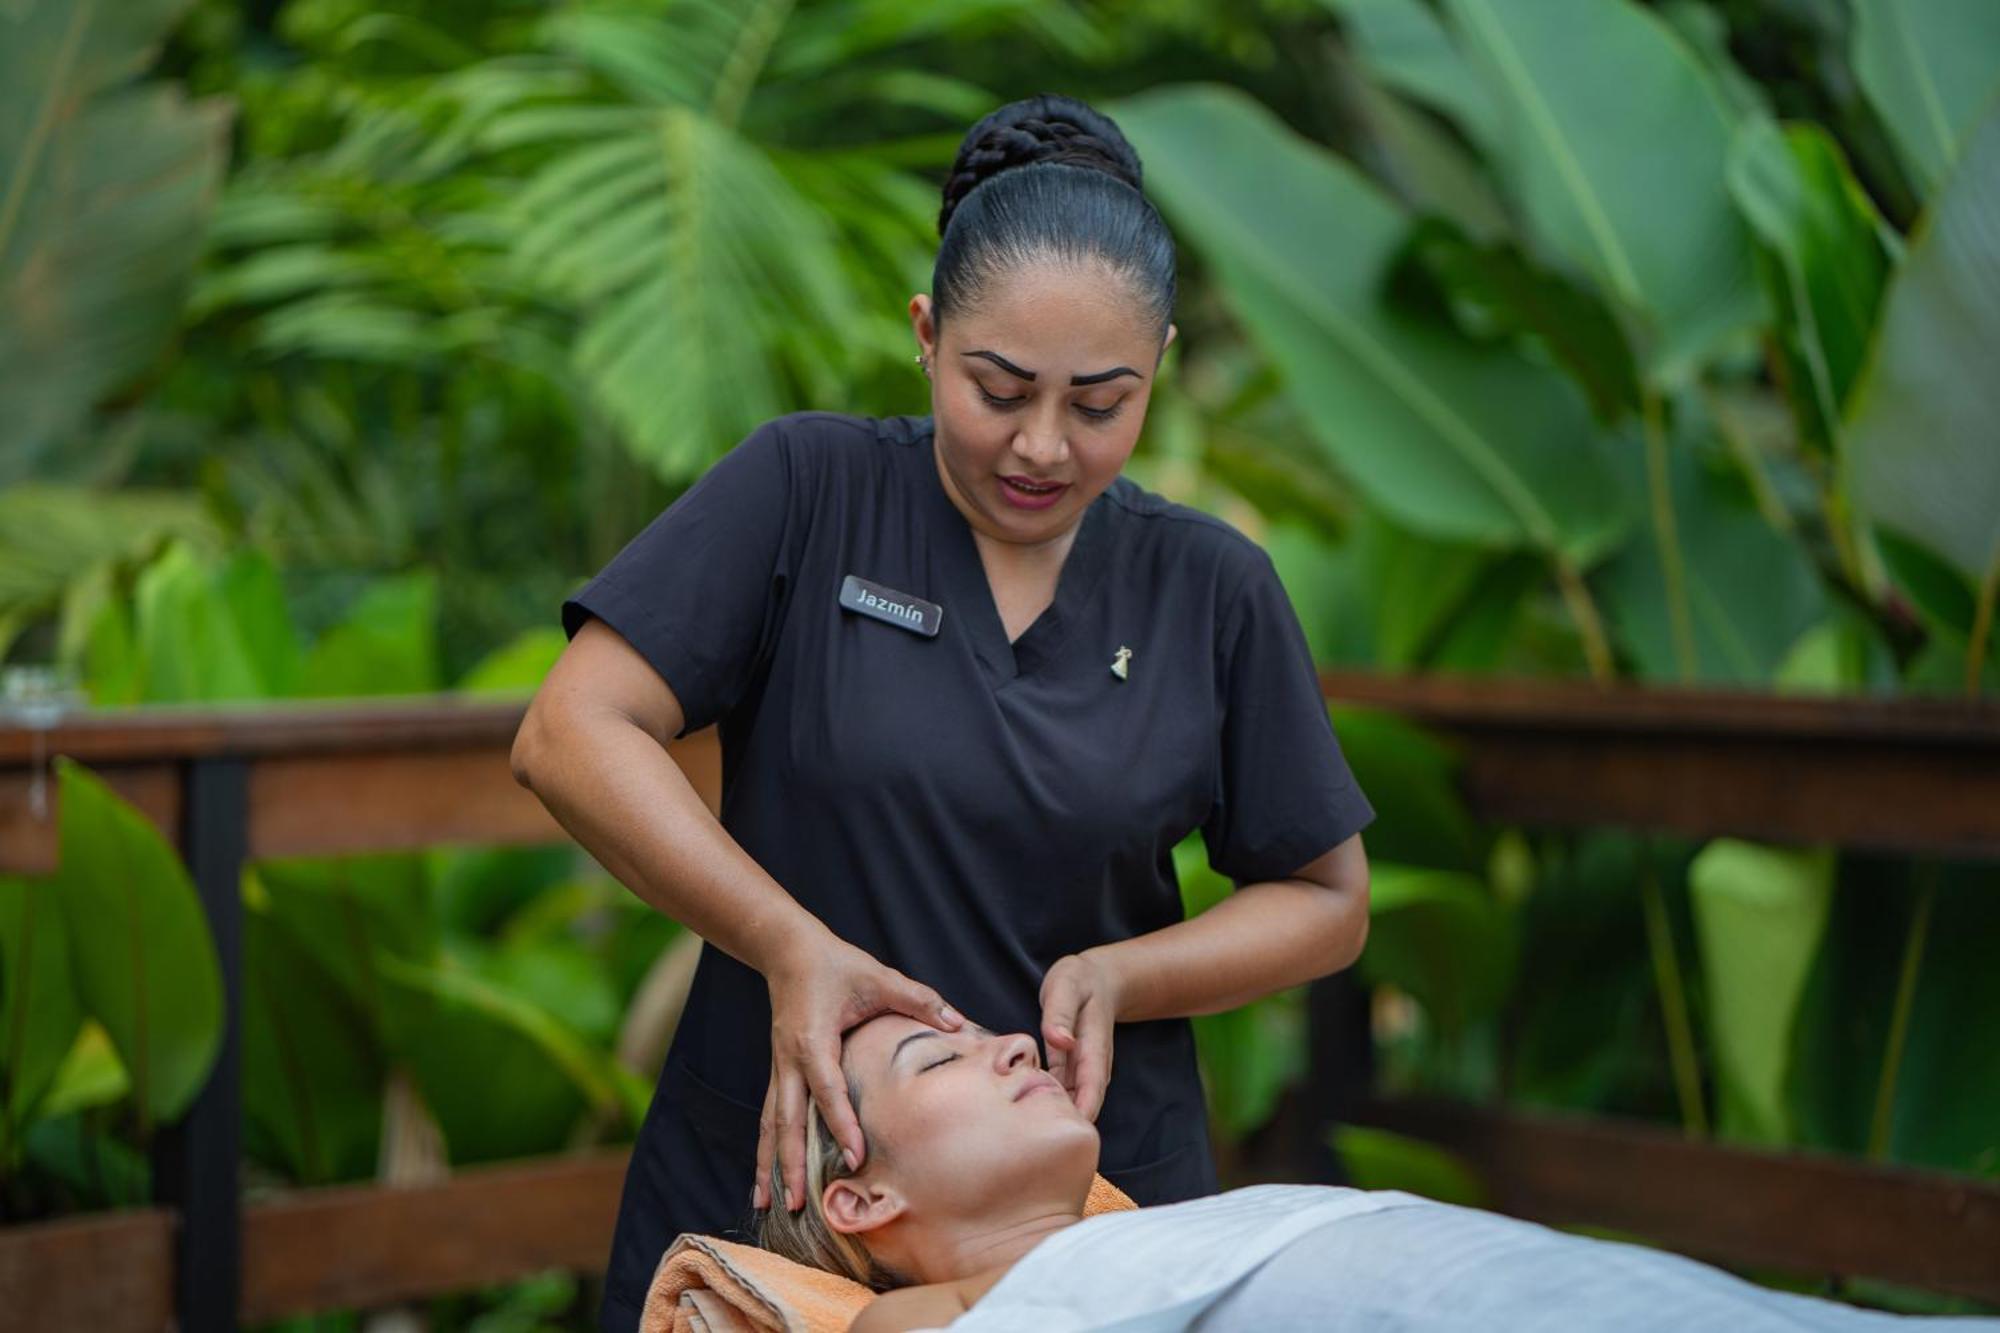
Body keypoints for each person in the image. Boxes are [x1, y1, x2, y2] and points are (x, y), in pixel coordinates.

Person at [511, 91, 1375, 1333]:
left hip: (1091, 1223)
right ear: (925, 335)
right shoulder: (807, 492)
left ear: (1160, 369)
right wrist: (785, 943)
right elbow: (570, 730)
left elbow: (1325, 898)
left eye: (1098, 404)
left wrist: (1119, 975)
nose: (1041, 446)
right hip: (791, 1198)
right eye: (999, 387)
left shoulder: (1209, 585)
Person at [758, 1014, 2000, 1332]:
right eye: (942, 1056)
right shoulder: (954, 1308)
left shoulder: (1143, 1244)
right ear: (864, 1199)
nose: (1013, 1041)